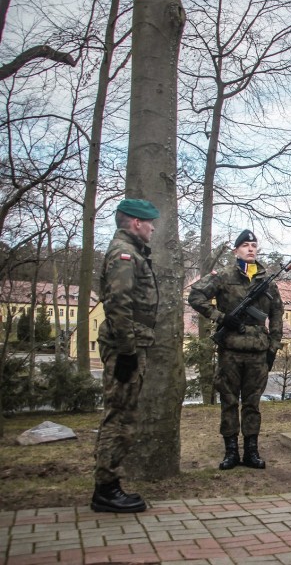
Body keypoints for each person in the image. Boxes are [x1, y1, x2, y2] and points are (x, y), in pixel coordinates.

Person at [188, 230, 283, 470]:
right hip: (230, 349)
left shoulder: (267, 281)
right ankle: (231, 452)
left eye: (253, 245)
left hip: (258, 352)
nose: (250, 249)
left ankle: (251, 451)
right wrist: (221, 317)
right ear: (236, 250)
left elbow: (276, 315)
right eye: (245, 245)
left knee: (252, 403)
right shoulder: (223, 276)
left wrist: (273, 345)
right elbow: (196, 296)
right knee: (229, 401)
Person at [92, 198, 160, 513]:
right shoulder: (124, 254)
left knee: (123, 415)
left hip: (130, 344)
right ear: (135, 222)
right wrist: (127, 351)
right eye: (149, 222)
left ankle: (110, 486)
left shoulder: (131, 252)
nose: (152, 228)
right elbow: (118, 303)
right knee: (118, 417)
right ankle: (106, 489)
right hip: (125, 348)